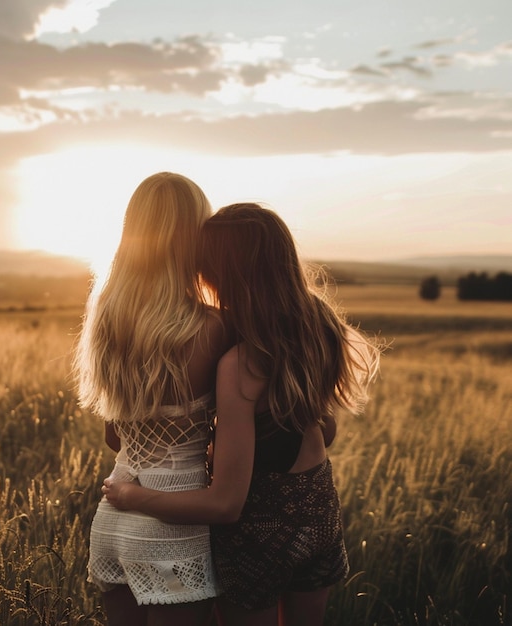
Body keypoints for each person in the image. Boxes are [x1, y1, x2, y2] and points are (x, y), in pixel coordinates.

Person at [102, 203, 381, 626]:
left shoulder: (240, 364)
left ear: (219, 274)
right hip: (318, 511)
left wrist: (132, 496)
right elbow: (325, 430)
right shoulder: (315, 325)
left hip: (256, 532)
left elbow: (225, 504)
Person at [74, 172, 232, 626]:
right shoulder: (214, 327)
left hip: (113, 518)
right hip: (175, 527)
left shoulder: (106, 317)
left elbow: (113, 437)